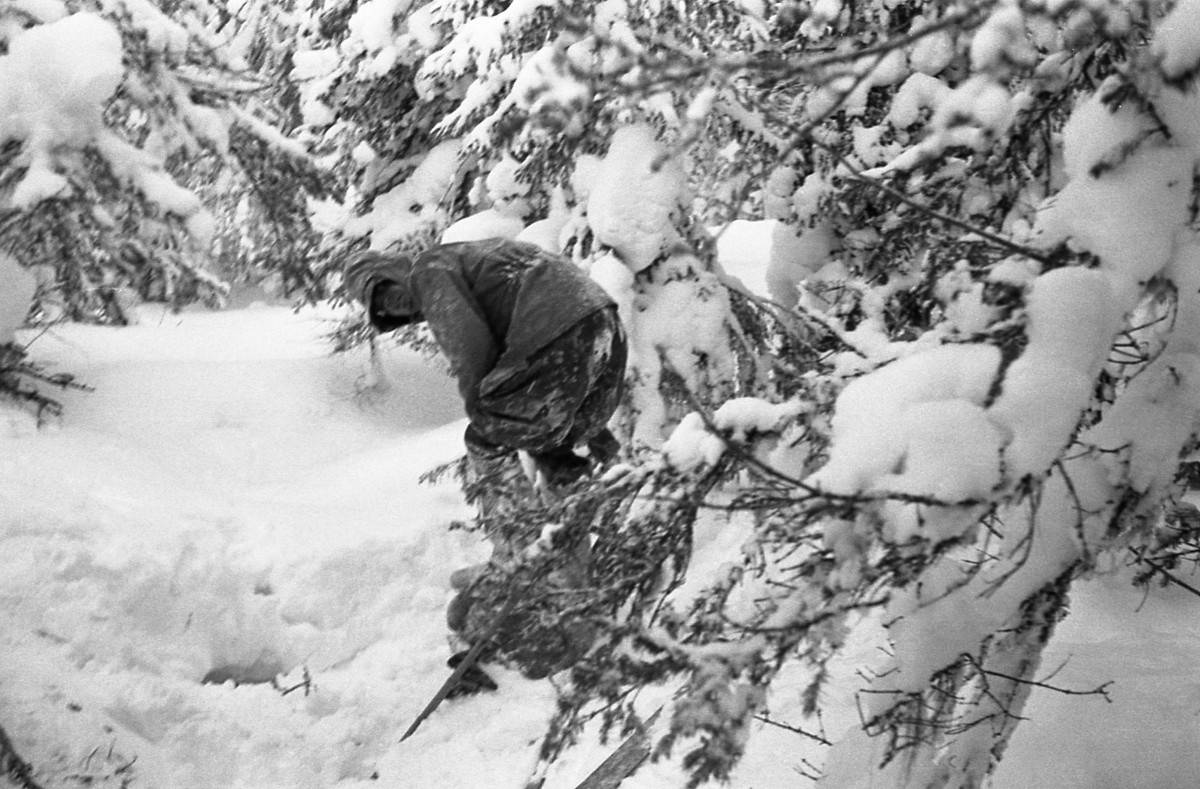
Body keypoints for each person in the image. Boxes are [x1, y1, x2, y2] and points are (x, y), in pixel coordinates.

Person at [344, 237, 628, 685]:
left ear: (392, 272)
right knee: (557, 454)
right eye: (387, 310)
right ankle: (570, 575)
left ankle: (520, 556)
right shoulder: (475, 263)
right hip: (603, 325)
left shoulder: (430, 269)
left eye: (384, 293)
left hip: (559, 331)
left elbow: (470, 349)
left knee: (487, 439)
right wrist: (590, 428)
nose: (397, 306)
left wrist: (486, 415)